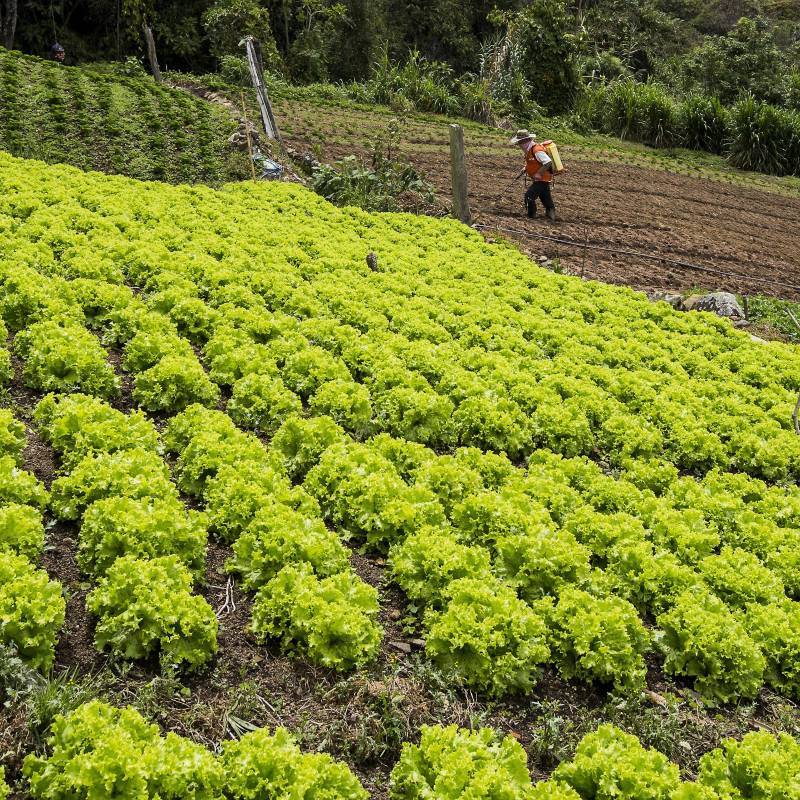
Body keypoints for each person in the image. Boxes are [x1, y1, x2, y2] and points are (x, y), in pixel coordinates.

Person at [509, 129, 556, 221]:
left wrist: (538, 174)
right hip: (542, 179)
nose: (519, 145)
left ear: (525, 141)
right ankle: (551, 215)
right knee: (545, 198)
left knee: (529, 196)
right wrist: (526, 168)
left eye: (519, 143)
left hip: (542, 179)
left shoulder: (537, 150)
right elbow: (533, 162)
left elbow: (548, 162)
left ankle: (531, 216)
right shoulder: (530, 150)